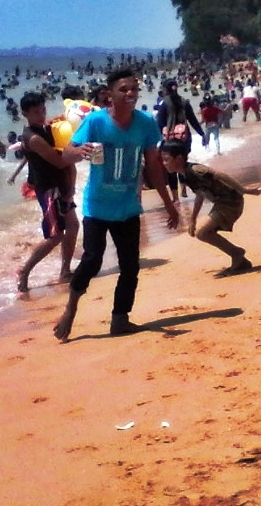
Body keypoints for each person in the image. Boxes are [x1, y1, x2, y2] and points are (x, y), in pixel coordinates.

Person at [53, 69, 181, 342]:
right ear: (109, 95)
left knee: (130, 266)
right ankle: (71, 309)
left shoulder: (146, 123)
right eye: (123, 89)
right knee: (92, 260)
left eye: (134, 89)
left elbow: (154, 166)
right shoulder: (96, 122)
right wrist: (81, 151)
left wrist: (169, 203)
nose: (130, 94)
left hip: (128, 206)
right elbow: (66, 155)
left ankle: (120, 319)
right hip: (97, 206)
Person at [160, 141, 261, 276]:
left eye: (166, 159)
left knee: (202, 233)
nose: (164, 163)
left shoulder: (195, 171)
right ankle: (239, 259)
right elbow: (199, 196)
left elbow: (219, 174)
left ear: (178, 158)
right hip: (221, 203)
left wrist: (244, 189)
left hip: (230, 202)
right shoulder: (182, 175)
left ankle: (236, 253)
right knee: (202, 233)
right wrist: (193, 219)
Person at [9, 92, 79, 291]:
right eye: (36, 112)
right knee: (55, 236)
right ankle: (25, 270)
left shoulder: (44, 127)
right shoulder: (32, 138)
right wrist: (79, 152)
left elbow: (58, 131)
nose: (41, 115)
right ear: (25, 114)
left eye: (43, 110)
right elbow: (58, 160)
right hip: (49, 189)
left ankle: (65, 270)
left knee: (73, 226)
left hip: (61, 184)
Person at [156, 80, 204, 202]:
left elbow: (159, 124)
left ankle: (175, 197)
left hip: (169, 141)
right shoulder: (185, 102)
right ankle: (184, 189)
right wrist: (202, 134)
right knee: (182, 165)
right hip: (184, 139)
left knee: (171, 169)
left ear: (165, 90)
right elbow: (193, 120)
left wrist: (155, 141)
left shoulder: (164, 104)